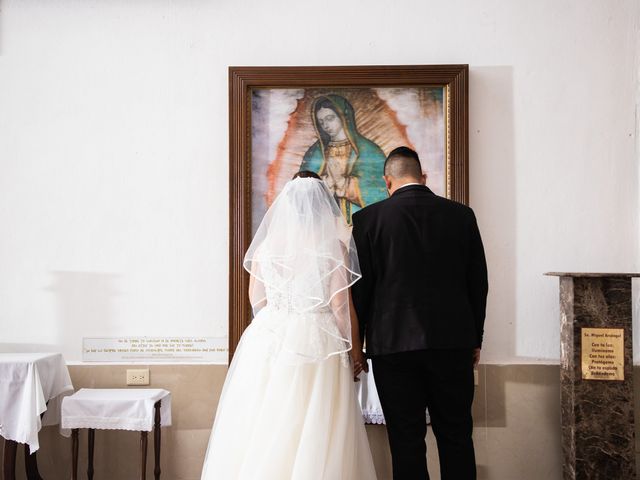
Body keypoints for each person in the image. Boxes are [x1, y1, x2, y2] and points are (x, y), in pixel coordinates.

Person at [201, 171, 377, 480]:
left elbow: (256, 298)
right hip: (319, 340)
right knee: (315, 420)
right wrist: (354, 351)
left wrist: (279, 323)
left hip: (269, 336)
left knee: (265, 417)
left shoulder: (267, 248)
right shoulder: (332, 247)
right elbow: (339, 305)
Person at [351, 147, 488, 480]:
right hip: (453, 343)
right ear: (423, 177)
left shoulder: (367, 220)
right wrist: (475, 339)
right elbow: (478, 283)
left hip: (392, 346)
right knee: (456, 436)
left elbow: (361, 291)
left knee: (406, 440)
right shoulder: (462, 215)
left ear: (387, 181)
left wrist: (362, 344)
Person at [299, 94, 387, 223]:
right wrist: (326, 181)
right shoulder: (315, 153)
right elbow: (301, 190)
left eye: (330, 118)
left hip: (360, 225)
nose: (326, 126)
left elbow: (378, 191)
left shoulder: (369, 150)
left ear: (344, 117)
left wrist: (342, 183)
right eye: (321, 122)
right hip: (326, 225)